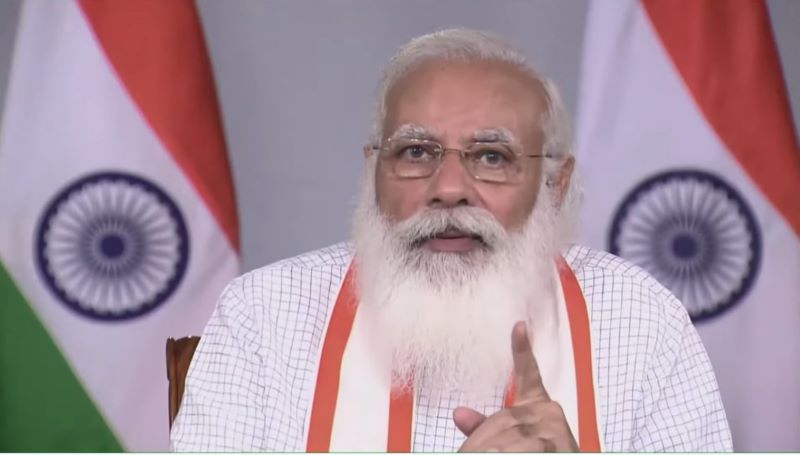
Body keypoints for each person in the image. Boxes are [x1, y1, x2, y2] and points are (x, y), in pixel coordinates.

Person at [170, 28, 732, 452]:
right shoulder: (264, 315)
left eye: (492, 157)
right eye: (416, 152)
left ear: (555, 185)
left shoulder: (639, 318)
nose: (449, 189)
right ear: (374, 171)